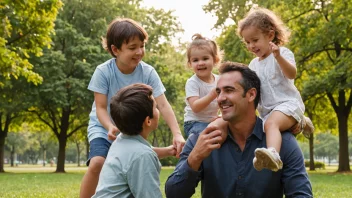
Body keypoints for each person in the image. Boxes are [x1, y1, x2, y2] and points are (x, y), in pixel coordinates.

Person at [165, 62, 312, 198]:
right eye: (218, 92)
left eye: (229, 90)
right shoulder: (201, 138)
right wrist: (195, 157)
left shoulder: (283, 142)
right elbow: (173, 194)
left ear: (251, 94)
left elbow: (301, 194)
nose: (220, 98)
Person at [80, 18, 185, 198]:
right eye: (132, 48)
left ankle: (166, 151)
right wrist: (110, 127)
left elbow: (163, 104)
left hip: (132, 125)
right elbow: (100, 107)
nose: (139, 52)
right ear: (115, 50)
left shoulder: (148, 72)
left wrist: (176, 133)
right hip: (104, 126)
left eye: (142, 46)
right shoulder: (104, 71)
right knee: (97, 162)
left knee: (134, 152)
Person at [237, 7, 315, 171]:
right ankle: (301, 121)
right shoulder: (253, 65)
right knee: (267, 124)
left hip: (287, 104)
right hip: (267, 110)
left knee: (271, 125)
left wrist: (278, 57)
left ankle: (273, 154)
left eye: (255, 40)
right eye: (248, 42)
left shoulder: (282, 53)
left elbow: (292, 74)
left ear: (270, 35)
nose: (251, 45)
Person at [92, 83, 172, 198]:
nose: (158, 109)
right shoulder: (142, 155)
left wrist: (169, 151)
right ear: (148, 121)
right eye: (155, 107)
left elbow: (137, 154)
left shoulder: (121, 141)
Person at [183, 34, 221, 138]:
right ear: (190, 64)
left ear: (215, 60)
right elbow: (195, 107)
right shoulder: (192, 82)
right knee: (208, 136)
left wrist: (222, 117)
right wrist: (212, 94)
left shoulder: (219, 80)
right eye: (195, 60)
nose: (200, 63)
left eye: (205, 58)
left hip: (212, 121)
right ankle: (188, 153)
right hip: (194, 123)